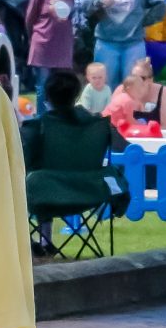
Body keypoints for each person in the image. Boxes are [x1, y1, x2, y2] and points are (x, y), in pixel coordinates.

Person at [23, 67, 127, 256]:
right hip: (89, 192)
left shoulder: (39, 126)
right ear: (77, 94)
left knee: (30, 182)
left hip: (46, 193)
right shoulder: (97, 124)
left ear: (47, 96)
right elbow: (122, 145)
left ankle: (35, 243)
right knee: (41, 180)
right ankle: (45, 242)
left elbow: (24, 161)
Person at [89, 0, 166, 88]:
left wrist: (144, 21)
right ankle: (107, 111)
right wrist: (100, 3)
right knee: (105, 86)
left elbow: (161, 3)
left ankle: (131, 111)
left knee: (134, 85)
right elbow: (85, 8)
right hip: (106, 43)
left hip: (133, 43)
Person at [23, 0, 77, 101]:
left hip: (63, 45)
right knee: (43, 85)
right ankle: (42, 117)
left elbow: (71, 18)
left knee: (63, 85)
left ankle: (60, 116)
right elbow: (30, 19)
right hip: (43, 44)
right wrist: (33, 38)